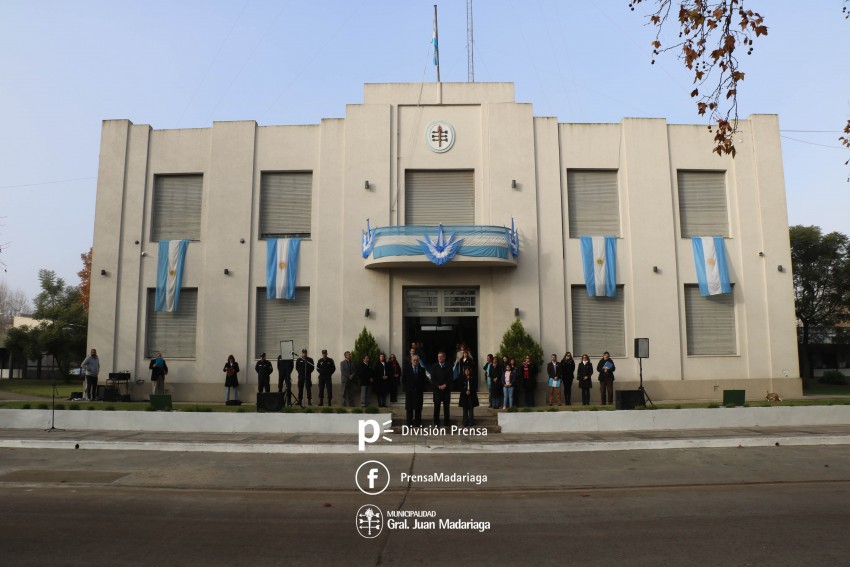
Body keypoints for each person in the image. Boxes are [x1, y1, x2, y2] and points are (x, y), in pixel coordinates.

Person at [402, 354, 429, 426]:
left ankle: (418, 423)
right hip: (410, 392)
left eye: (417, 360)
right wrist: (408, 387)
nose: (415, 362)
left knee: (418, 408)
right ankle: (409, 423)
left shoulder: (422, 369)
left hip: (418, 392)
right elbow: (404, 380)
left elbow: (424, 381)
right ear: (411, 361)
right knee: (409, 409)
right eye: (414, 360)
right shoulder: (407, 369)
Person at [429, 352, 453, 427]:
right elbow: (432, 378)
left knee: (446, 407)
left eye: (441, 356)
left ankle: (446, 422)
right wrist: (438, 386)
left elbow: (451, 377)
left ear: (444, 357)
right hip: (437, 390)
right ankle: (436, 422)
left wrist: (445, 384)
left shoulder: (449, 366)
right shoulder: (434, 366)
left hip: (446, 389)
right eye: (438, 356)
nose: (439, 358)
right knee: (437, 407)